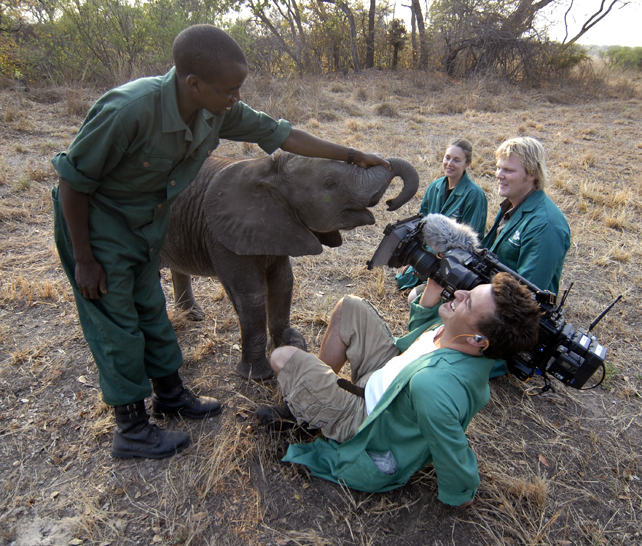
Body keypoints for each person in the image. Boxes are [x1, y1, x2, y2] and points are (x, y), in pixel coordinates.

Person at [51, 24, 390, 460]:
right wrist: (84, 257)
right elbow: (72, 182)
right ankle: (131, 427)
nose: (236, 97)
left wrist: (349, 155)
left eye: (238, 89)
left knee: (152, 312)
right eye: (230, 89)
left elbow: (280, 134)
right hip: (98, 228)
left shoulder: (216, 109)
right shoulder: (128, 109)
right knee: (118, 326)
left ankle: (170, 395)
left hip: (148, 223)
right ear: (194, 83)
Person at [255, 272, 540, 507]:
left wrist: (460, 494)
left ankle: (313, 411)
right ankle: (312, 398)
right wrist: (432, 287)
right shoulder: (457, 334)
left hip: (365, 418)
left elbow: (450, 444)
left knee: (281, 358)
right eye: (468, 291)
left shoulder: (436, 385)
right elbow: (419, 337)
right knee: (350, 305)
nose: (459, 294)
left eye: (468, 302)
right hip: (386, 376)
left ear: (479, 339)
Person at [481, 137, 570, 377]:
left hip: (508, 318)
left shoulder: (546, 225)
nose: (499, 174)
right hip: (494, 295)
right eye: (499, 167)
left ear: (531, 174)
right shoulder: (514, 205)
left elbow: (526, 296)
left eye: (508, 170)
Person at [396, 138, 487, 291]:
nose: (449, 163)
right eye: (447, 157)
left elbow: (471, 241)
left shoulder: (474, 194)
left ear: (468, 164)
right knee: (402, 280)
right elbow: (421, 223)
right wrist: (412, 258)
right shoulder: (435, 186)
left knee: (416, 292)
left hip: (453, 262)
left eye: (457, 160)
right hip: (428, 253)